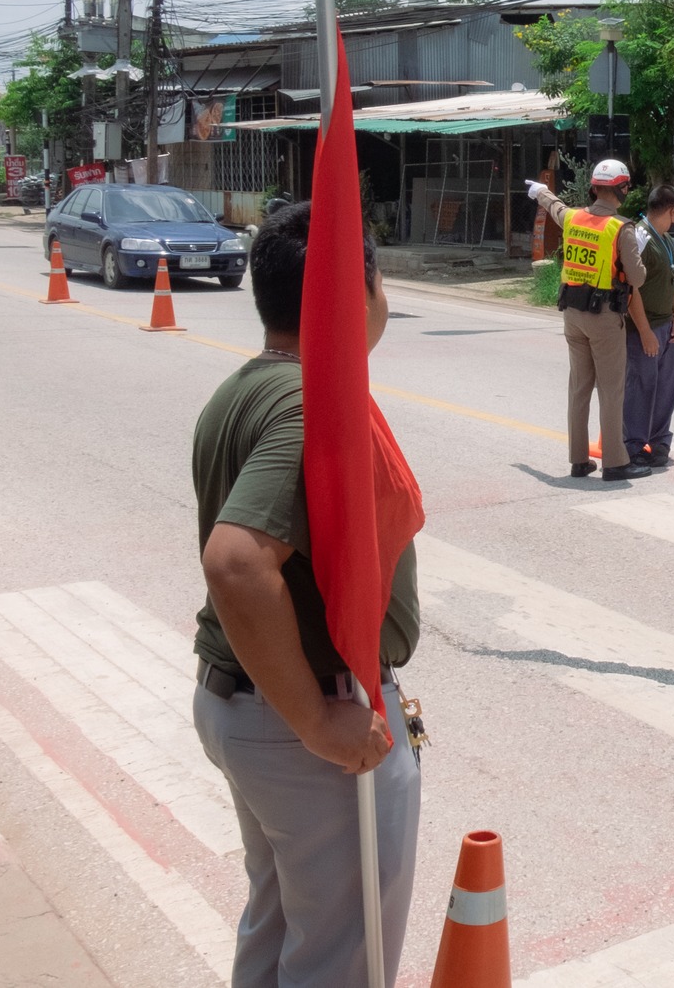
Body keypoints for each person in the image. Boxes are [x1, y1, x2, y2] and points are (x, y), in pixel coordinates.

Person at [193, 201, 424, 985]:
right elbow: (235, 563)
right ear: (352, 291)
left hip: (249, 710)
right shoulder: (306, 406)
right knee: (338, 959)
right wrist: (320, 720)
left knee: (282, 925)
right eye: (377, 275)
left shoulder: (246, 386)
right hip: (301, 729)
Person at [527, 159, 654, 481]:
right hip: (604, 318)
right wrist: (636, 250)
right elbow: (637, 278)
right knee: (611, 391)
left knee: (579, 388)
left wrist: (541, 192)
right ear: (622, 189)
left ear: (594, 187)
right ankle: (615, 463)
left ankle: (579, 460)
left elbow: (556, 207)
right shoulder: (620, 228)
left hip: (572, 315)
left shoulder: (573, 218)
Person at [624, 184, 674, 469]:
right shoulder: (641, 237)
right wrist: (646, 332)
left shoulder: (666, 239)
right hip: (644, 329)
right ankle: (634, 446)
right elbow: (630, 289)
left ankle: (660, 441)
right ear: (671, 210)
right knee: (641, 387)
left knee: (666, 388)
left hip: (666, 327)